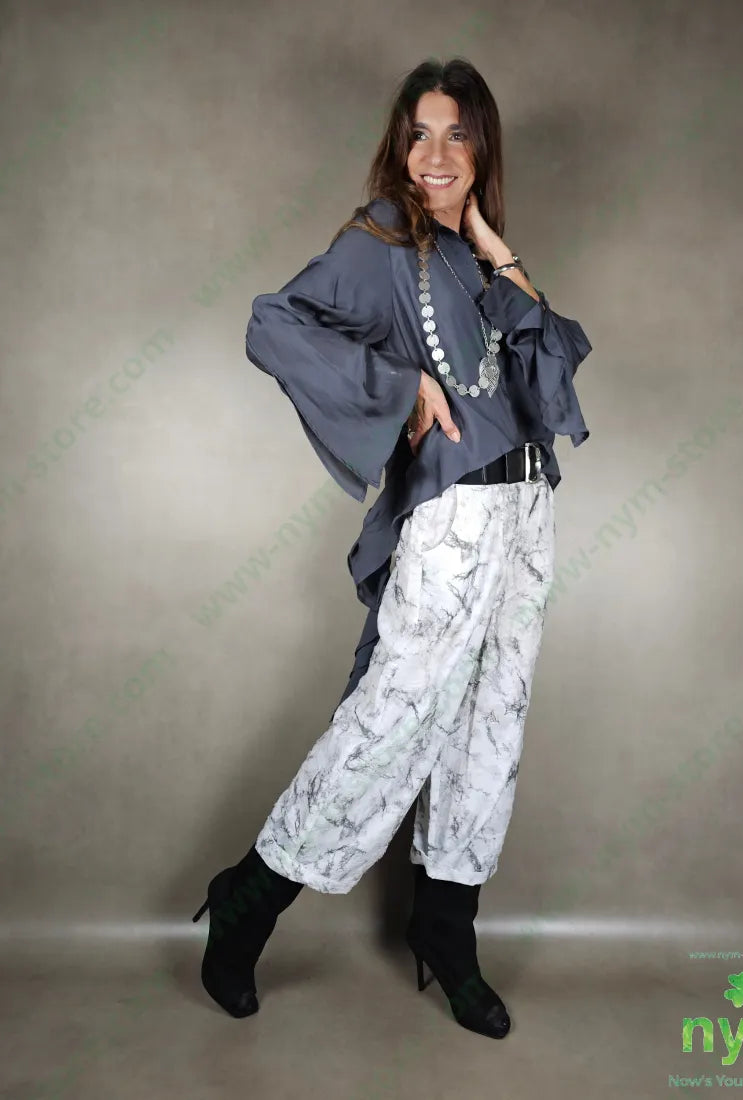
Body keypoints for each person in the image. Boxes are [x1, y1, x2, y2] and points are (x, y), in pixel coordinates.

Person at [193, 57, 592, 1040]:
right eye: (419, 133)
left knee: (488, 730)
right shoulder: (381, 242)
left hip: (527, 512)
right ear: (398, 145)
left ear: (483, 146)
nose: (435, 154)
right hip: (455, 518)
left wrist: (494, 245)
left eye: (457, 134)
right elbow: (273, 324)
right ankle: (249, 898)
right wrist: (400, 386)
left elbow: (548, 378)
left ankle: (445, 930)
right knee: (392, 722)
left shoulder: (478, 257)